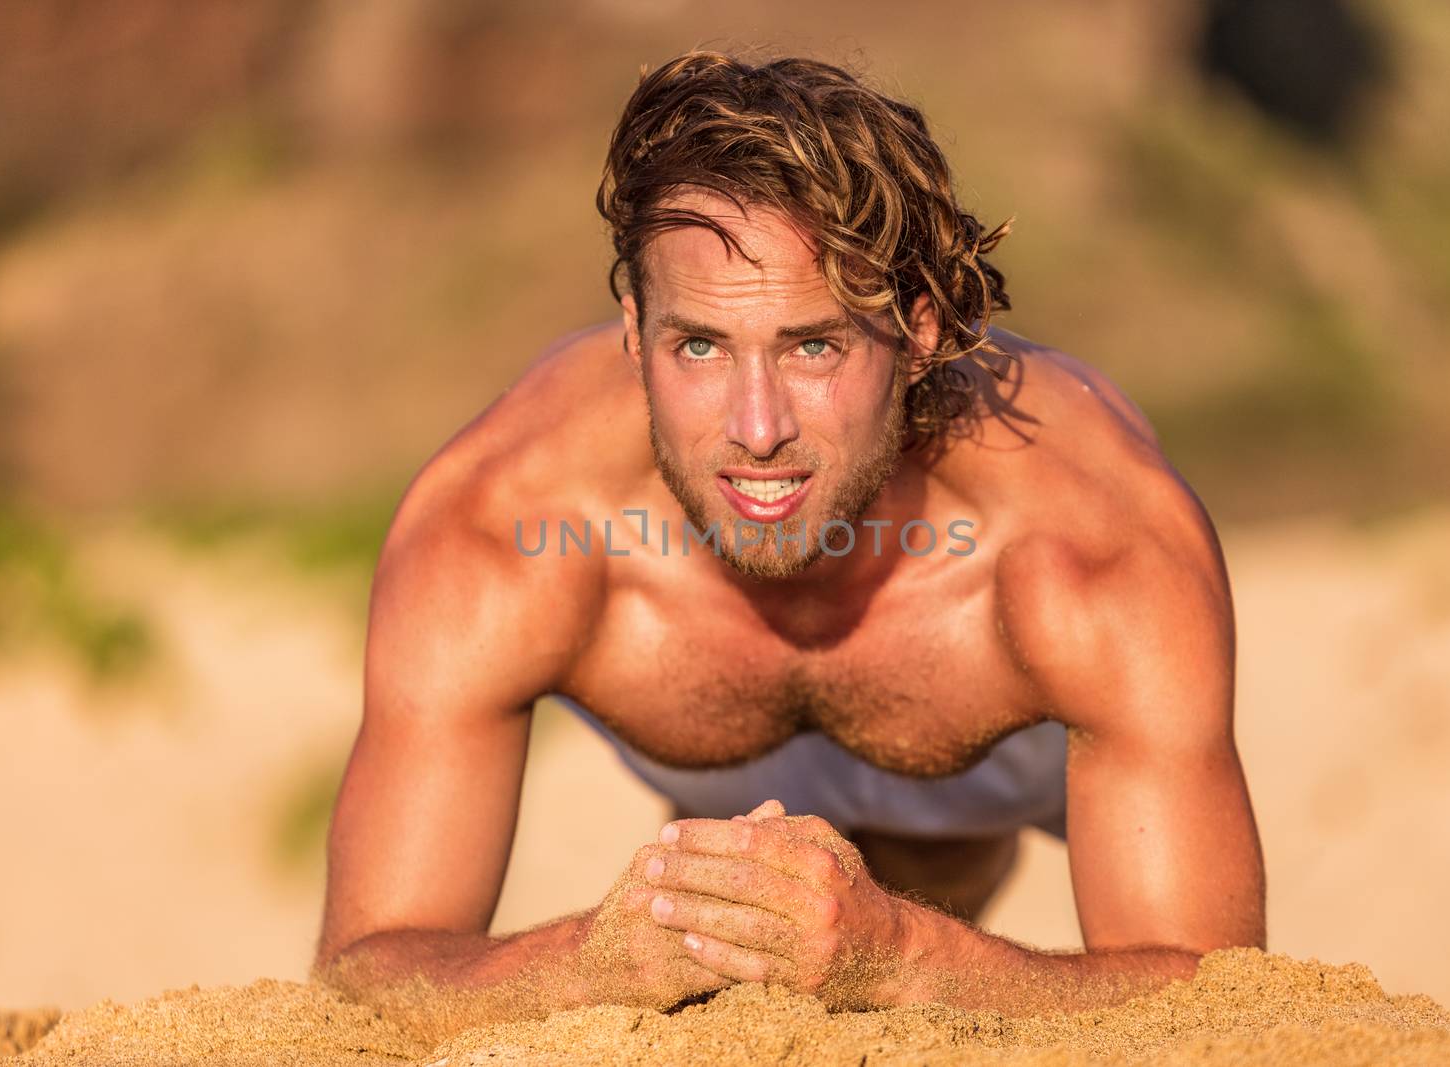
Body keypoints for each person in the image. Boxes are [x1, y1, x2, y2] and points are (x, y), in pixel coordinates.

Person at [313, 50, 1266, 1031]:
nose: (756, 426)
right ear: (634, 330)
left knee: (933, 862)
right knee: (731, 954)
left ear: (919, 332)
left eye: (815, 344)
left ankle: (934, 865)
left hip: (986, 731)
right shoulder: (503, 527)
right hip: (705, 739)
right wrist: (589, 961)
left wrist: (901, 953)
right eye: (699, 346)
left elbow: (1219, 1001)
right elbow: (362, 971)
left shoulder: (1089, 549)